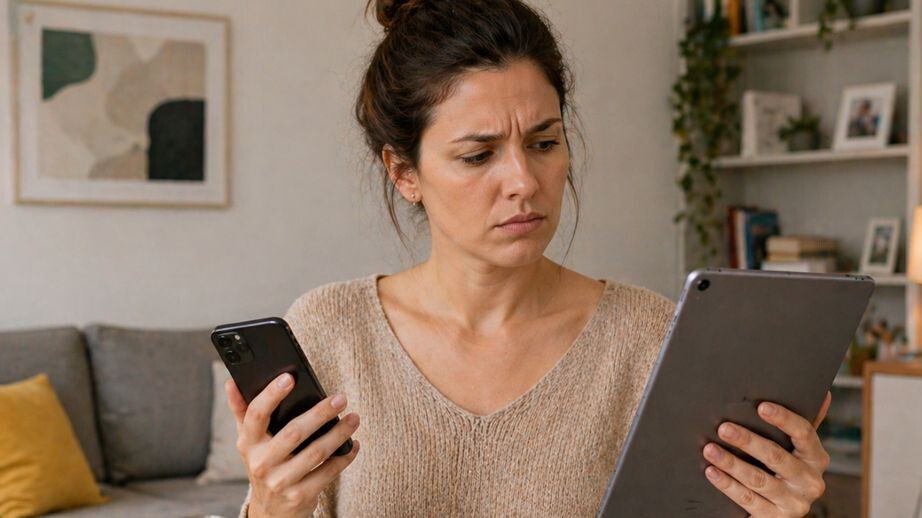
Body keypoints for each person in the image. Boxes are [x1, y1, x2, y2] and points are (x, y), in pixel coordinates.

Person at [226, 1, 832, 516]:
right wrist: (269, 509)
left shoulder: (651, 341)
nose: (523, 181)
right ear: (404, 172)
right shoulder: (330, 331)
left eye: (544, 142)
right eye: (478, 155)